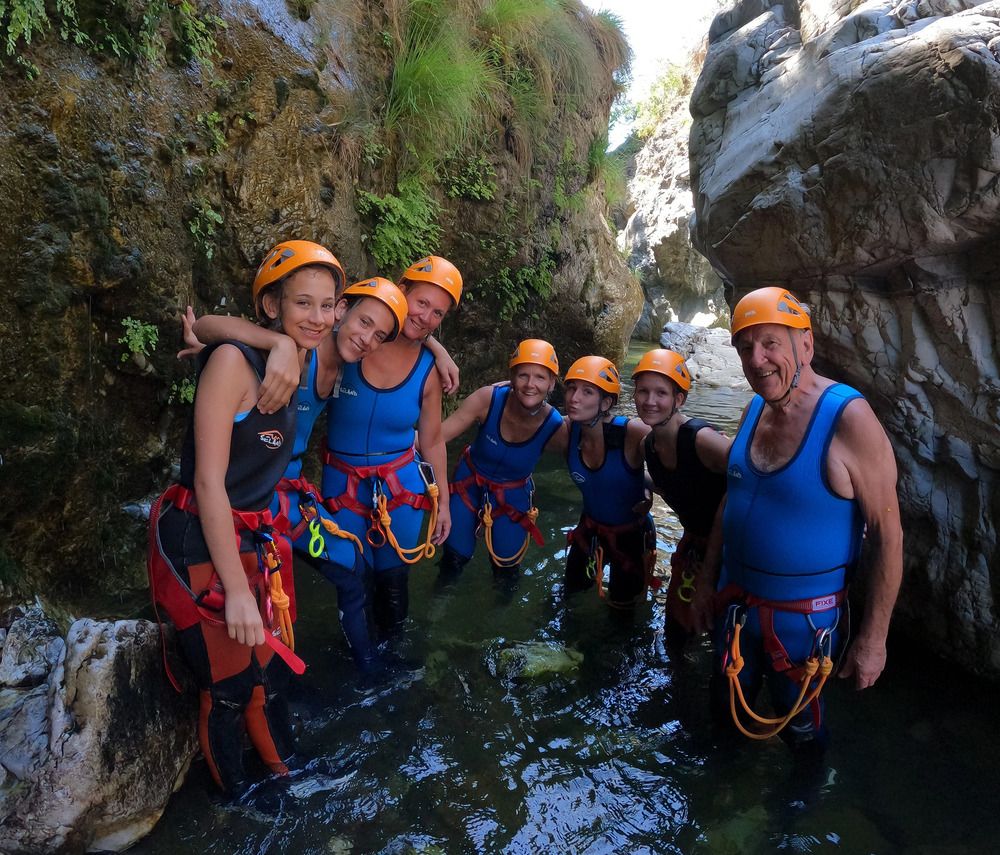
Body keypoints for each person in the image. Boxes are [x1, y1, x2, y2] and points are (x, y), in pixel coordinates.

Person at [147, 239, 340, 797]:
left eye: (327, 305)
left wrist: (283, 341)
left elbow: (207, 322)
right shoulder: (235, 363)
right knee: (229, 686)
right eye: (303, 304)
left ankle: (287, 772)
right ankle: (240, 799)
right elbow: (208, 481)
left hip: (252, 533)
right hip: (201, 538)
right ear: (272, 306)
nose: (319, 317)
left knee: (270, 675)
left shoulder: (300, 356)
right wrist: (235, 590)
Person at [694, 286, 903, 755]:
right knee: (725, 714)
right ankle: (723, 807)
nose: (757, 359)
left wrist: (874, 639)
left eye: (771, 343)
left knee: (803, 737)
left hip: (803, 625)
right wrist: (706, 581)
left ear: (805, 344)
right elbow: (732, 501)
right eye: (746, 347)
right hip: (735, 605)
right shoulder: (754, 410)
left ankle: (794, 819)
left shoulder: (849, 419)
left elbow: (889, 537)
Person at [189, 273, 409, 674]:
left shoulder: (348, 367)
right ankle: (293, 674)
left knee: (354, 568)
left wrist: (437, 349)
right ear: (340, 311)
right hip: (257, 496)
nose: (367, 339)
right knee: (275, 599)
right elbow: (207, 326)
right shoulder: (299, 349)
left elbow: (412, 333)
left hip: (289, 495)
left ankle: (368, 667)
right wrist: (278, 343)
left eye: (379, 336)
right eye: (363, 323)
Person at [321, 255, 461, 638]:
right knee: (352, 584)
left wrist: (444, 503)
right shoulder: (353, 342)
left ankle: (392, 671)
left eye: (438, 314)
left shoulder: (429, 368)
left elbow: (431, 440)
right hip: (342, 485)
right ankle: (360, 669)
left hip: (402, 489)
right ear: (401, 292)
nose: (426, 317)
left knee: (394, 589)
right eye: (421, 303)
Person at [437, 339, 567, 586]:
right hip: (469, 484)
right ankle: (438, 607)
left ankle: (498, 620)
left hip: (513, 495)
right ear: (511, 377)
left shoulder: (555, 427)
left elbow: (587, 454)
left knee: (506, 572)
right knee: (454, 559)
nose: (530, 384)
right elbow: (437, 437)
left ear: (551, 384)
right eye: (523, 376)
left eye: (540, 377)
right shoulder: (488, 399)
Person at [633, 349, 731, 646]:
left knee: (724, 641)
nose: (650, 401)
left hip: (732, 550)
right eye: (643, 392)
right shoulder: (648, 446)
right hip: (695, 545)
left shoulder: (702, 440)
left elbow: (753, 473)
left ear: (679, 399)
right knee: (676, 633)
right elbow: (672, 483)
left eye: (661, 393)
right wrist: (645, 490)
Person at [563, 356, 655, 608]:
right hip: (590, 530)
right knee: (567, 598)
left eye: (587, 391)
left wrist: (648, 489)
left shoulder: (632, 432)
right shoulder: (566, 431)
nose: (574, 397)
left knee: (622, 611)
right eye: (571, 388)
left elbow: (672, 448)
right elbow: (529, 417)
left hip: (630, 534)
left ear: (606, 402)